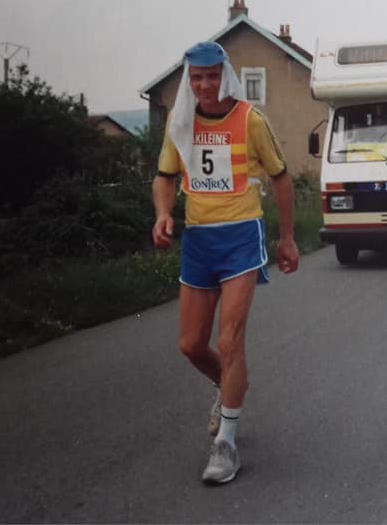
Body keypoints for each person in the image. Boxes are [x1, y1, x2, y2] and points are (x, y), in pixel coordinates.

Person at [151, 41, 300, 485]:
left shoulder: (250, 119)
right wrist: (163, 214)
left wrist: (287, 238)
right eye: (197, 77)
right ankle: (229, 384)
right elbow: (165, 177)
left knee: (230, 340)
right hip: (199, 240)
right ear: (189, 80)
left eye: (212, 76)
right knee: (190, 345)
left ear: (225, 75)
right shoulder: (181, 121)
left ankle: (226, 444)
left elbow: (281, 178)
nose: (205, 85)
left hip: (240, 236)